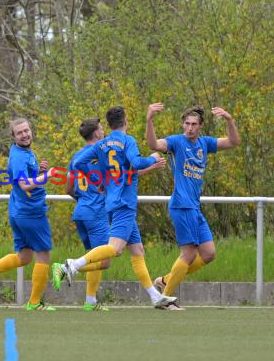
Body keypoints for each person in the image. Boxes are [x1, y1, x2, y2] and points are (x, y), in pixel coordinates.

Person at [53, 106, 177, 309]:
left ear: (108, 125)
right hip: (124, 203)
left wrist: (98, 178)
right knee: (115, 249)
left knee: (137, 250)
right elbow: (136, 163)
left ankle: (155, 297)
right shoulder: (128, 141)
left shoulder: (101, 144)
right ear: (126, 120)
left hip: (113, 202)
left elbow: (78, 164)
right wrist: (153, 158)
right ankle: (71, 266)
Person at [146, 103, 240, 309]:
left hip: (194, 207)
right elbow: (153, 144)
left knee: (208, 253)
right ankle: (165, 299)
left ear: (200, 126)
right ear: (183, 125)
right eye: (187, 124)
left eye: (194, 124)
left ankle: (165, 281)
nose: (190, 127)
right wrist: (149, 120)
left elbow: (234, 141)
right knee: (188, 253)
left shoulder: (205, 144)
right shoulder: (176, 142)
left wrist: (229, 120)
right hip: (181, 205)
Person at [0, 117, 56, 311]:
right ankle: (34, 302)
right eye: (20, 132)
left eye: (26, 130)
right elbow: (24, 184)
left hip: (19, 210)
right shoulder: (18, 156)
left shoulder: (25, 152)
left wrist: (39, 172)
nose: (25, 134)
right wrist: (47, 176)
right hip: (30, 212)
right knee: (43, 254)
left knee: (25, 257)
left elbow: (28, 180)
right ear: (13, 137)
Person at [54, 118, 111, 312]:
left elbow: (69, 188)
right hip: (96, 212)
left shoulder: (76, 157)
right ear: (96, 133)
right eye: (102, 129)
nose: (104, 131)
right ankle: (66, 268)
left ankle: (90, 300)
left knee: (92, 258)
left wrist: (82, 200)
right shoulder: (101, 155)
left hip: (81, 212)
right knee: (104, 261)